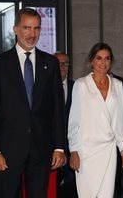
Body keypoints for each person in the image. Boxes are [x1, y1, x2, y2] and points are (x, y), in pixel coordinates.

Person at [0, 8, 65, 198]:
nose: (32, 34)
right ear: (15, 29)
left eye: (36, 28)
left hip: (41, 151)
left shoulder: (50, 64)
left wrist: (59, 147)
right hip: (7, 152)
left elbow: (58, 110)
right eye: (27, 28)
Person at [68, 42, 123, 198]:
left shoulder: (118, 85)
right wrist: (73, 150)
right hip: (86, 151)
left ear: (111, 61)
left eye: (107, 59)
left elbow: (118, 124)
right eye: (99, 58)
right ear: (92, 60)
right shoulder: (81, 85)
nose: (103, 63)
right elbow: (73, 121)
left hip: (108, 151)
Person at [54, 52, 78, 198]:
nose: (63, 67)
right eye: (59, 63)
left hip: (74, 147)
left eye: (66, 63)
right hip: (51, 148)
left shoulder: (77, 87)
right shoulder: (42, 88)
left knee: (73, 189)